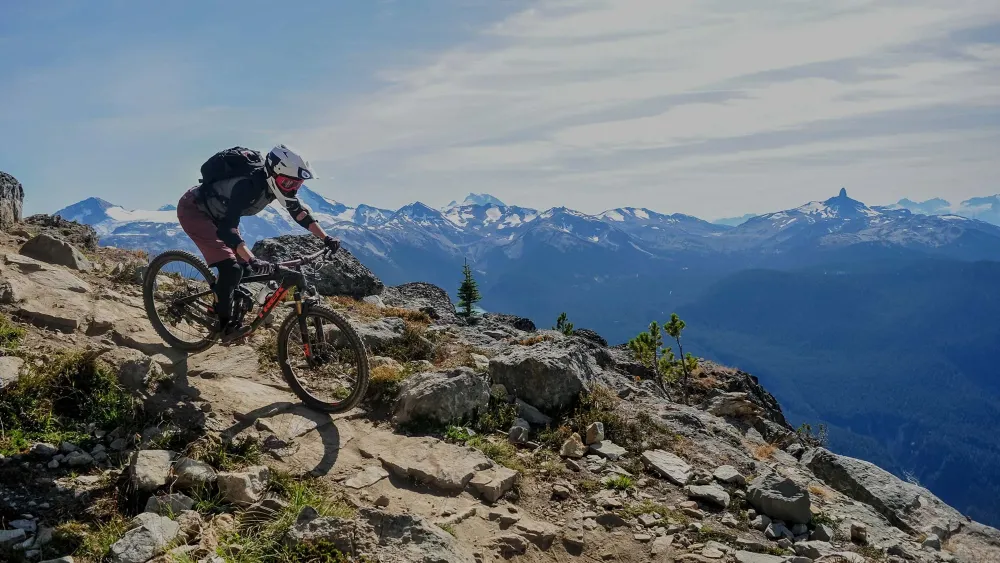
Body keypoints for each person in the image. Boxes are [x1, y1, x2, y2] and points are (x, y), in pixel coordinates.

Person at [176, 144, 340, 342]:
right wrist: (251, 258)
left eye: (297, 185)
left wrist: (326, 238)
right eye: (288, 183)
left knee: (243, 268)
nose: (292, 189)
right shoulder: (248, 186)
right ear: (273, 173)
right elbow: (227, 229)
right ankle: (224, 326)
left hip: (220, 215)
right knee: (232, 269)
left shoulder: (275, 185)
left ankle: (221, 303)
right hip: (195, 211)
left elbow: (300, 213)